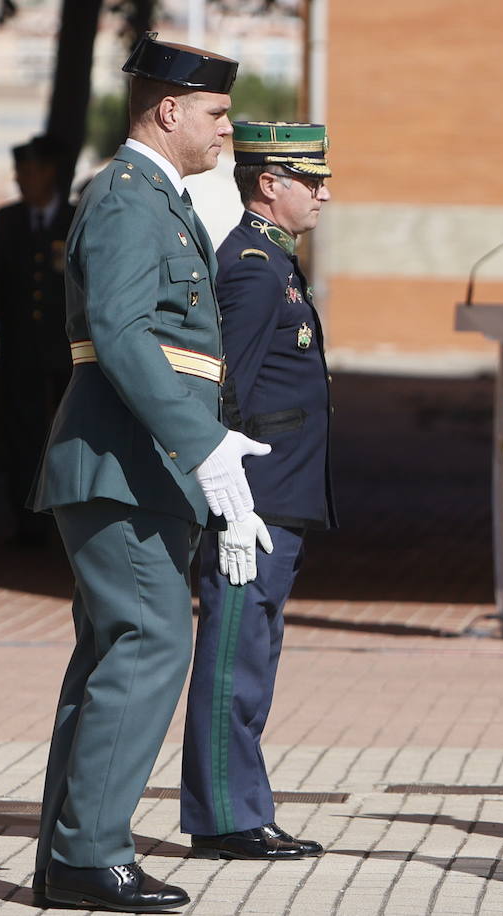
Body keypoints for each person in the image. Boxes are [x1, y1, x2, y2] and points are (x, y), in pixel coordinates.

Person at [28, 35, 275, 913]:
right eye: (215, 114)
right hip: (125, 462)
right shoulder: (132, 198)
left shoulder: (152, 197)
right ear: (169, 111)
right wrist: (202, 445)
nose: (227, 130)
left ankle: (71, 856)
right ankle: (91, 853)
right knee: (150, 644)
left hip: (138, 464)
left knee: (113, 654)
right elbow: (124, 335)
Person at [181, 121, 336, 860]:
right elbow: (224, 385)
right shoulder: (249, 264)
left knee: (256, 657)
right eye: (312, 180)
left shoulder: (275, 261)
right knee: (232, 660)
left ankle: (243, 807)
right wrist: (230, 498)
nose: (325, 193)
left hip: (280, 496)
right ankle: (223, 819)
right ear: (269, 184)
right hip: (255, 498)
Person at [0, 134, 76, 546]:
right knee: (21, 433)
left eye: (29, 171)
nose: (22, 179)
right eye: (19, 172)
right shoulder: (7, 221)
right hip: (20, 349)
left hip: (66, 351)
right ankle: (25, 521)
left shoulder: (74, 219)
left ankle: (63, 518)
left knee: (65, 433)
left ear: (49, 172)